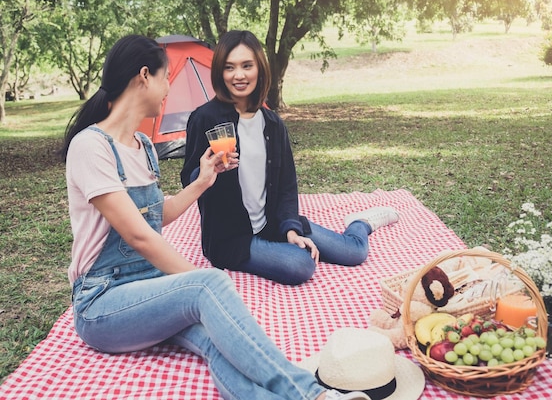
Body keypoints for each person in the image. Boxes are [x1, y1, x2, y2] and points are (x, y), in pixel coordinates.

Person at [60, 34, 371, 400]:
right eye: (165, 79)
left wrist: (203, 181)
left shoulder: (143, 146)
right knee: (210, 286)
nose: (167, 89)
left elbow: (159, 215)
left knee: (217, 341)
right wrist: (204, 283)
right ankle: (315, 395)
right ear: (144, 76)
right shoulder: (91, 146)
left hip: (150, 288)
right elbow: (139, 237)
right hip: (103, 301)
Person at [181, 30, 399, 286]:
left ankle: (361, 222)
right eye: (229, 67)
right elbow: (189, 181)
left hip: (273, 224)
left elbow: (286, 186)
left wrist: (291, 230)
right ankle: (275, 248)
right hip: (231, 239)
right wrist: (207, 173)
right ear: (220, 72)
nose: (238, 75)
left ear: (259, 70)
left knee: (354, 252)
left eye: (246, 66)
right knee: (300, 265)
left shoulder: (273, 123)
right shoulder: (204, 119)